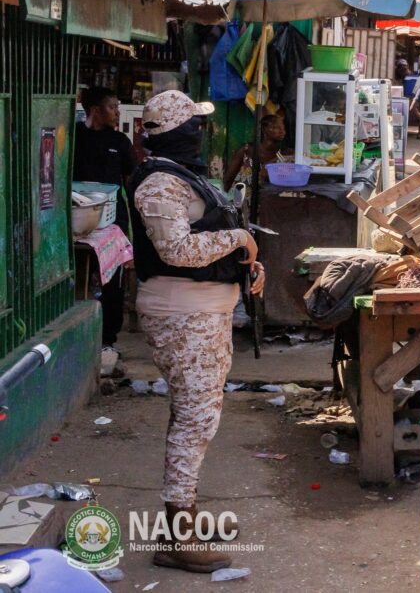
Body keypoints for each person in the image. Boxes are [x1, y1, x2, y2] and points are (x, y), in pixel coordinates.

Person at [128, 91, 264, 574]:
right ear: (179, 132)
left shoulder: (178, 176)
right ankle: (177, 537)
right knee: (195, 421)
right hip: (183, 316)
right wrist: (237, 239)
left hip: (200, 313)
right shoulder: (158, 185)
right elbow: (177, 252)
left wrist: (244, 260)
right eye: (196, 125)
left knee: (194, 417)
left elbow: (204, 237)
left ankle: (184, 517)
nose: (202, 133)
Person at [73, 87, 138, 350]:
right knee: (77, 274)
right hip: (77, 216)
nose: (117, 112)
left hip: (113, 220)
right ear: (96, 110)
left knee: (112, 280)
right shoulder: (75, 136)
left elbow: (130, 181)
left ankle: (107, 339)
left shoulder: (120, 142)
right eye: (112, 107)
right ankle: (77, 333)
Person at [224, 112, 292, 190]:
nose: (282, 131)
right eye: (277, 127)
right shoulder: (245, 150)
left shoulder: (284, 154)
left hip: (268, 200)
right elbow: (229, 178)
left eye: (283, 128)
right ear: (264, 129)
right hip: (244, 199)